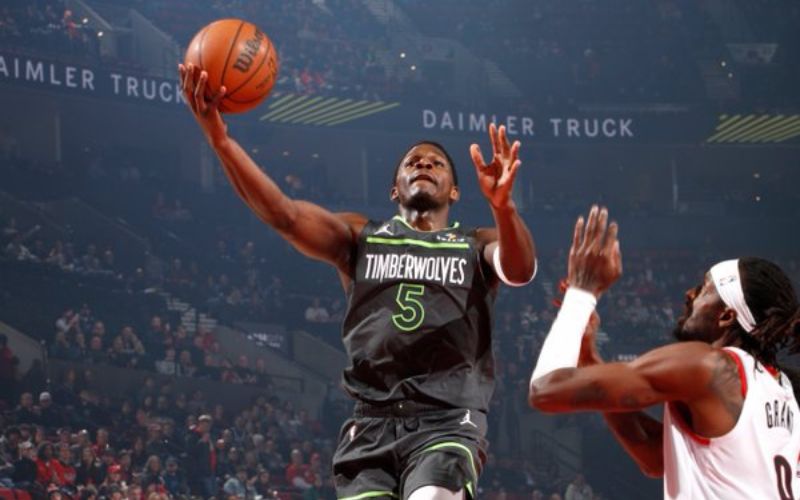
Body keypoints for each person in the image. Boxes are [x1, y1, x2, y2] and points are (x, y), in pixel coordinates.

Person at [179, 62, 537, 500]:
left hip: (447, 418)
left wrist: (504, 207)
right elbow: (284, 215)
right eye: (412, 161)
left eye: (437, 163)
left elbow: (520, 271)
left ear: (455, 191)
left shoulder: (475, 242)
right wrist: (220, 140)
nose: (424, 163)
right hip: (371, 424)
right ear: (395, 189)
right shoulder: (359, 237)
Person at [529, 206, 800, 499]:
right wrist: (588, 357)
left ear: (726, 316)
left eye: (704, 288)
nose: (690, 294)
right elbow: (656, 457)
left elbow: (545, 390)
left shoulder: (709, 365)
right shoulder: (781, 388)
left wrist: (581, 294)